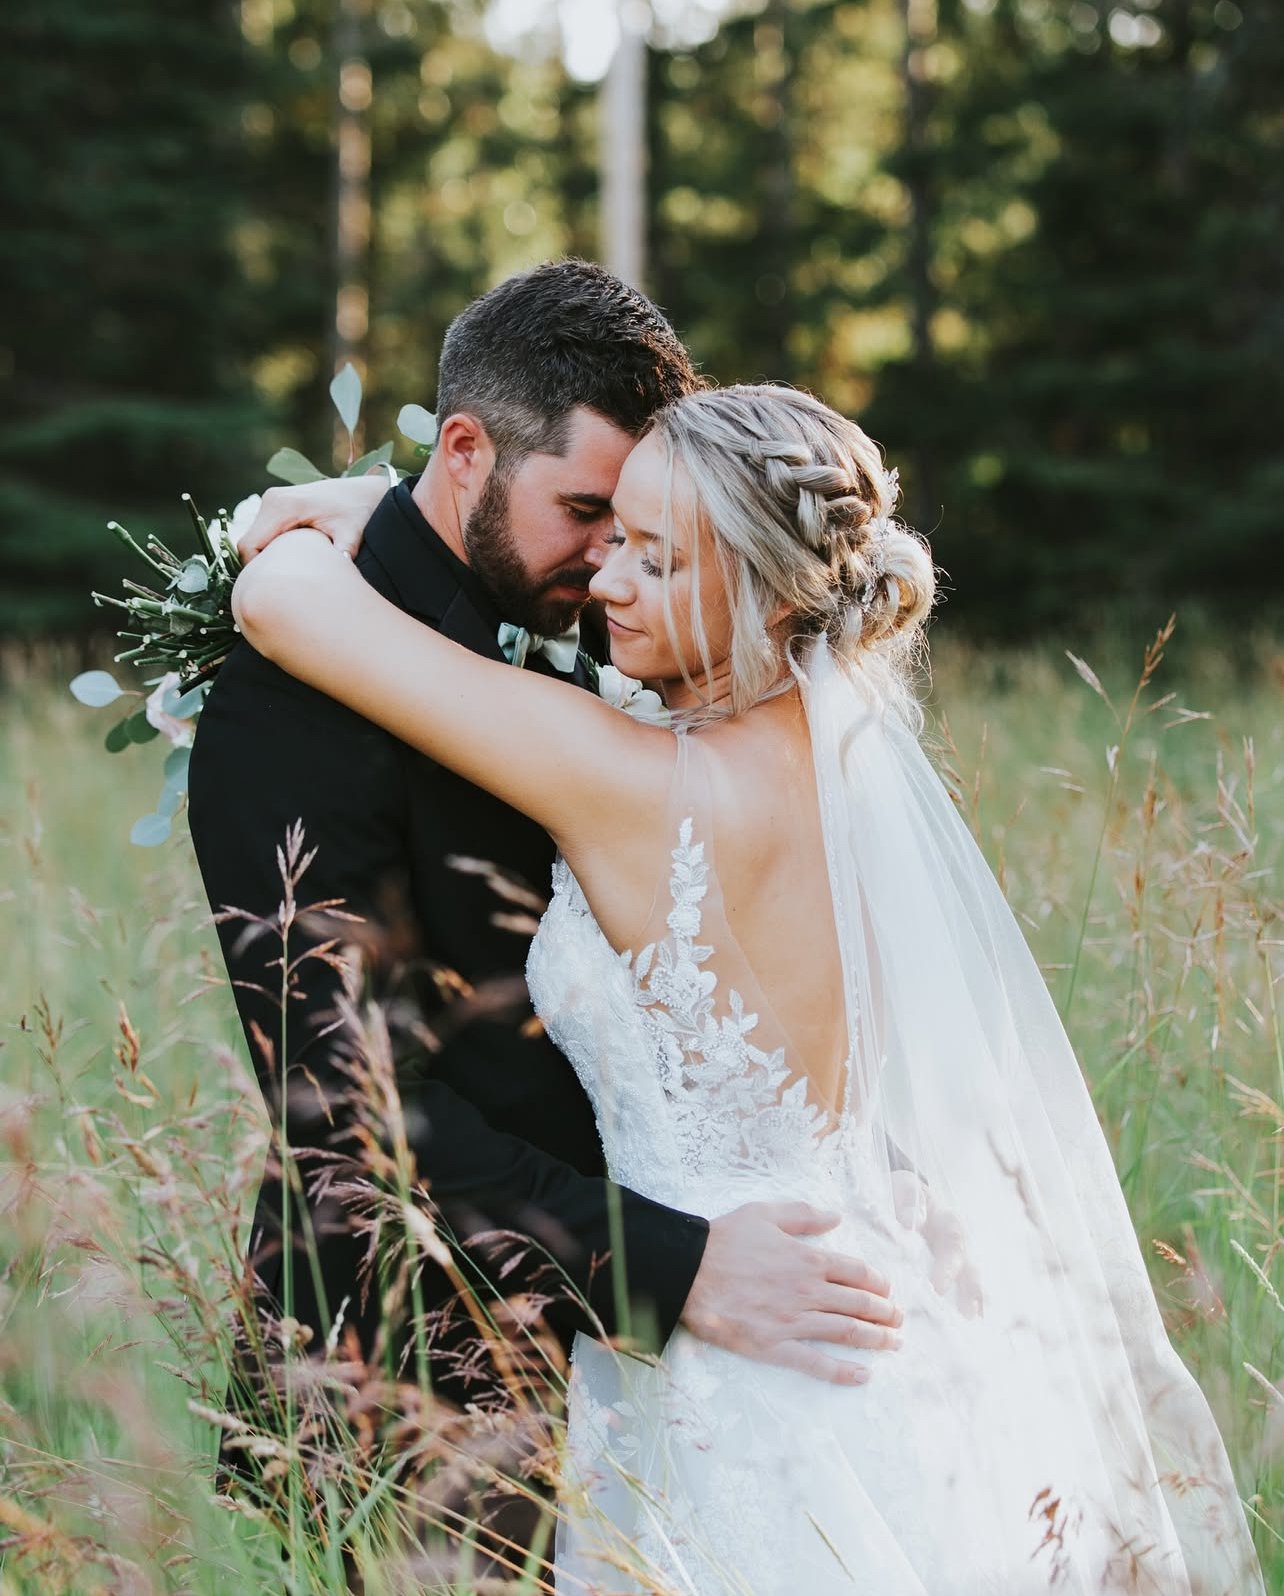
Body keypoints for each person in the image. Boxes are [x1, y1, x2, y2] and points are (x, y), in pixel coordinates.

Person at [232, 380, 1265, 1594]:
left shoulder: (629, 783)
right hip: (881, 1320)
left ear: (768, 594)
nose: (608, 583)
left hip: (726, 1357)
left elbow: (280, 602)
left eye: (658, 563)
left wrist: (360, 508)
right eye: (612, 536)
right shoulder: (852, 770)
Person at [186, 262, 908, 1532]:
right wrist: (669, 1271)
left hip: (676, 1362)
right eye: (588, 513)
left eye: (641, 534)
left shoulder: (631, 646)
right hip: (414, 1378)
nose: (610, 568)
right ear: (464, 450)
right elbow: (341, 1098)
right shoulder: (288, 704)